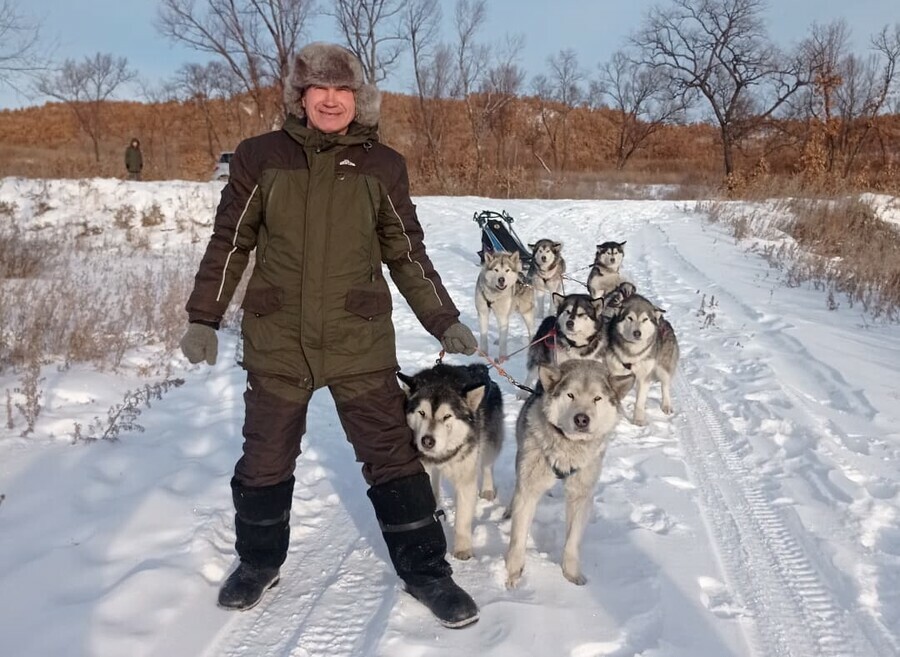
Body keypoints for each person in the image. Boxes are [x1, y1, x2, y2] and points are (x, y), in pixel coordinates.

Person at [179, 42, 481, 628]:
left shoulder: (382, 165)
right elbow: (230, 241)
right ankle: (257, 562)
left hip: (357, 337)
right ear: (300, 96)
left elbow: (406, 252)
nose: (332, 100)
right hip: (278, 338)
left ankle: (427, 572)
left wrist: (443, 318)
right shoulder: (259, 157)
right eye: (319, 89)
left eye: (343, 90)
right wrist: (204, 316)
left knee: (392, 457)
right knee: (265, 458)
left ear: (358, 98)